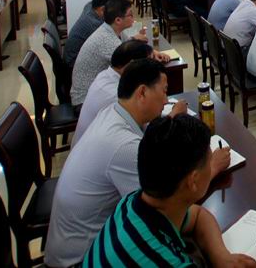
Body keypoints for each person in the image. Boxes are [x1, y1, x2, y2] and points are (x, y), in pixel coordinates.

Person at [45, 59, 232, 268]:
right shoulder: (125, 148)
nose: (166, 100)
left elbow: (192, 213)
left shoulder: (130, 201)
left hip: (98, 243)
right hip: (74, 259)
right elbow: (176, 193)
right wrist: (212, 167)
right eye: (164, 91)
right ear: (142, 92)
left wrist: (222, 256)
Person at [84, 114, 256, 268]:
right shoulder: (169, 262)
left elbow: (198, 215)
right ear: (193, 180)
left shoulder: (133, 202)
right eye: (209, 161)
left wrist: (222, 257)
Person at [70, 0, 152, 106]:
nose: (133, 18)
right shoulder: (107, 40)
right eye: (130, 15)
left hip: (96, 92)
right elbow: (132, 64)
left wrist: (152, 52)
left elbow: (127, 45)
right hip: (84, 101)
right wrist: (150, 54)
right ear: (118, 20)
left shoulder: (111, 29)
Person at [73, 41, 154, 145]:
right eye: (148, 64)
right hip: (97, 149)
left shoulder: (104, 75)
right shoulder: (118, 97)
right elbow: (146, 134)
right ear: (131, 65)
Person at [64, 0, 118, 67]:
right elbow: (112, 45)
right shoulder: (94, 23)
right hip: (73, 63)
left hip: (71, 56)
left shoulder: (90, 6)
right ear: (103, 9)